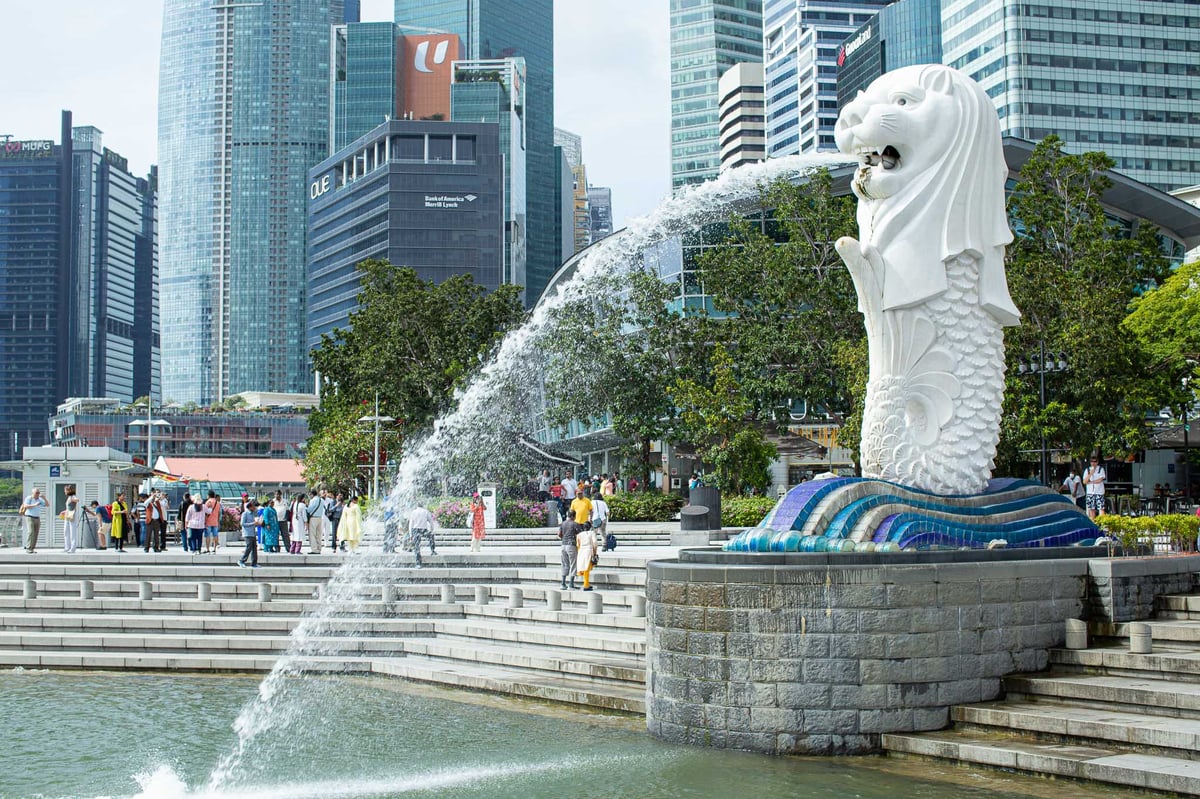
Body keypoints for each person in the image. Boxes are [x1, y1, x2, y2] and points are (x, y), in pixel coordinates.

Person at [19, 487, 47, 553]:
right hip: (29, 517)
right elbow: (25, 506)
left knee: (36, 533)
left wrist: (44, 498)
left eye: (39, 493)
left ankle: (32, 548)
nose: (38, 494)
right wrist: (34, 504)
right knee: (31, 532)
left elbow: (47, 505)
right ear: (33, 493)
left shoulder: (40, 499)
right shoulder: (29, 498)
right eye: (36, 493)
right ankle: (28, 548)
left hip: (37, 517)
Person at [407, 503, 436, 567]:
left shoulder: (413, 512)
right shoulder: (426, 511)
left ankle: (418, 563)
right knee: (431, 536)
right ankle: (432, 550)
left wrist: (410, 534)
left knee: (417, 546)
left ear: (417, 506)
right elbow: (431, 521)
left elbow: (411, 523)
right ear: (422, 506)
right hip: (423, 529)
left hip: (415, 530)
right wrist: (431, 530)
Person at [558, 516, 581, 590]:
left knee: (564, 564)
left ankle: (563, 583)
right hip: (571, 545)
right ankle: (571, 584)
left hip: (563, 545)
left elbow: (559, 534)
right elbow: (580, 534)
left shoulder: (563, 523)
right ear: (574, 516)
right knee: (573, 564)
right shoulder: (575, 524)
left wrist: (564, 537)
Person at [575, 521, 598, 592]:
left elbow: (577, 544)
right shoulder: (592, 533)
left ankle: (586, 583)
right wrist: (595, 553)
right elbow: (595, 543)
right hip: (589, 550)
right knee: (587, 568)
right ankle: (586, 584)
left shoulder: (579, 535)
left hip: (581, 551)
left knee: (584, 567)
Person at [1083, 455, 1107, 520]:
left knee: (1101, 508)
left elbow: (1100, 480)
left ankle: (1102, 522)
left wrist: (1090, 482)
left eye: (1095, 461)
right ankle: (1093, 522)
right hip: (1090, 492)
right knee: (1091, 509)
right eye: (1092, 462)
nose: (1093, 463)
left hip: (1099, 492)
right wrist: (1090, 474)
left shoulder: (1100, 469)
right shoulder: (1087, 470)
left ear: (1097, 462)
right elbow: (1084, 481)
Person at [238, 500, 260, 568]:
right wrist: (253, 523)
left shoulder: (253, 514)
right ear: (250, 507)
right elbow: (242, 524)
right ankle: (242, 560)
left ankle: (254, 563)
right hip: (247, 533)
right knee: (249, 547)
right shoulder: (245, 513)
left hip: (252, 533)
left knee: (254, 548)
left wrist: (256, 524)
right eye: (253, 507)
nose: (254, 508)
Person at [62, 485, 82, 554]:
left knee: (72, 531)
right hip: (67, 514)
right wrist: (64, 511)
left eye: (65, 490)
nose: (64, 491)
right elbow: (69, 507)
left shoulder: (72, 496)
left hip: (72, 514)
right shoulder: (69, 497)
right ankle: (67, 547)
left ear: (69, 490)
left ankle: (72, 548)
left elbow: (77, 500)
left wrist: (73, 500)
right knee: (66, 531)